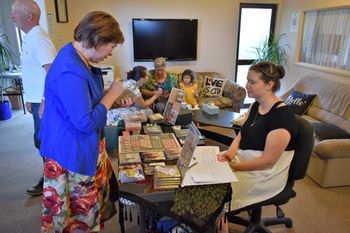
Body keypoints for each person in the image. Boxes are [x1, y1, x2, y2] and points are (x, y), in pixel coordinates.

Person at [38, 11, 127, 232]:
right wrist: (111, 95)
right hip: (70, 154)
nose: (111, 52)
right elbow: (85, 121)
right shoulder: (70, 68)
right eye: (112, 46)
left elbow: (84, 100)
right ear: (98, 39)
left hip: (81, 148)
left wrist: (112, 99)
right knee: (79, 219)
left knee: (89, 211)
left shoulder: (77, 58)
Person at [217, 61, 297, 233]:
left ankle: (216, 222)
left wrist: (232, 167)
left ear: (270, 84)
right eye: (247, 80)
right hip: (244, 160)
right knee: (208, 171)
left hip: (265, 174)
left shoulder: (282, 118)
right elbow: (241, 134)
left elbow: (267, 162)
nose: (246, 86)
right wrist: (229, 156)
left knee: (216, 189)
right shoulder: (255, 106)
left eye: (252, 82)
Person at [11, 0, 57, 196]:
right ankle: (51, 178)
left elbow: (52, 71)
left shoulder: (38, 38)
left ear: (29, 16)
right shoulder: (30, 37)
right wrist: (30, 97)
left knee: (44, 142)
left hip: (44, 102)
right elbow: (35, 72)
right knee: (41, 141)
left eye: (15, 13)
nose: (12, 16)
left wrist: (45, 100)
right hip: (37, 100)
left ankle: (52, 179)